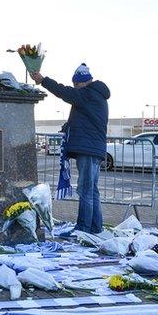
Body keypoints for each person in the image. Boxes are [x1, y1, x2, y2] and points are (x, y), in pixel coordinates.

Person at [30, 64, 110, 234]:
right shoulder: (97, 95)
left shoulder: (88, 94)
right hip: (94, 149)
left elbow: (63, 92)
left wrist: (43, 80)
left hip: (88, 150)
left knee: (85, 190)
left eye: (76, 84)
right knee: (92, 190)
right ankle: (96, 227)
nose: (74, 87)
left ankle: (83, 228)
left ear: (82, 82)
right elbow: (85, 119)